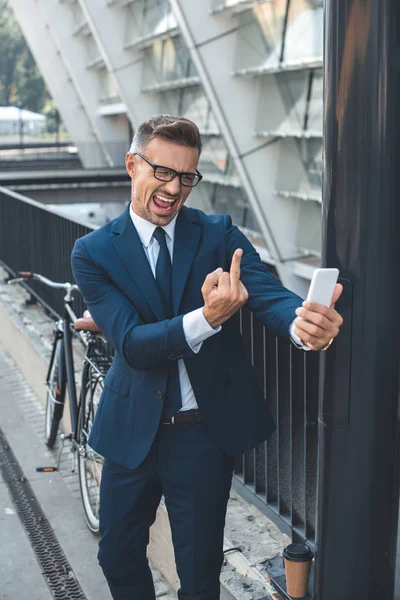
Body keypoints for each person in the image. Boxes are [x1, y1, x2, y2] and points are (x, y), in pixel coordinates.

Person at [71, 114, 343, 600]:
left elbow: (266, 293)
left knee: (198, 576)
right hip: (130, 427)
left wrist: (302, 325)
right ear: (133, 165)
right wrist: (207, 318)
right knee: (115, 555)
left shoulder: (217, 234)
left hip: (200, 433)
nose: (174, 188)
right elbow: (132, 344)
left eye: (187, 176)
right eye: (162, 171)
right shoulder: (92, 252)